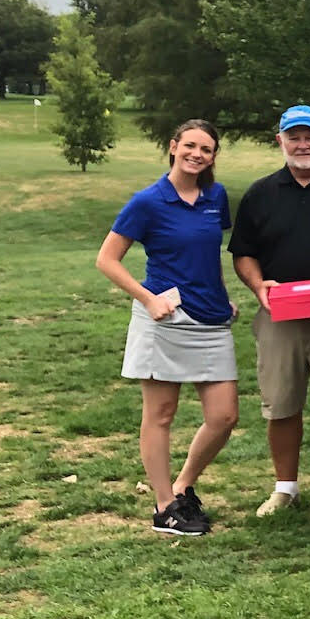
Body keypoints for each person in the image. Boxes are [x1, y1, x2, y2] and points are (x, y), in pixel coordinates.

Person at [96, 119, 239, 536]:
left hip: (211, 318)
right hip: (165, 318)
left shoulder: (216, 196)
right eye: (190, 145)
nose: (197, 154)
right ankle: (164, 507)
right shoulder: (148, 201)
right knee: (160, 413)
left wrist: (222, 292)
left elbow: (207, 253)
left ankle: (183, 484)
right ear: (173, 146)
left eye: (207, 149)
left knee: (225, 415)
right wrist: (147, 298)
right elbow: (107, 259)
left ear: (213, 156)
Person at [228, 104, 310, 519]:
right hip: (279, 315)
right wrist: (257, 284)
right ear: (280, 140)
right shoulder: (261, 194)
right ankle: (285, 488)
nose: (303, 145)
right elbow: (243, 253)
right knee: (281, 403)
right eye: (294, 137)